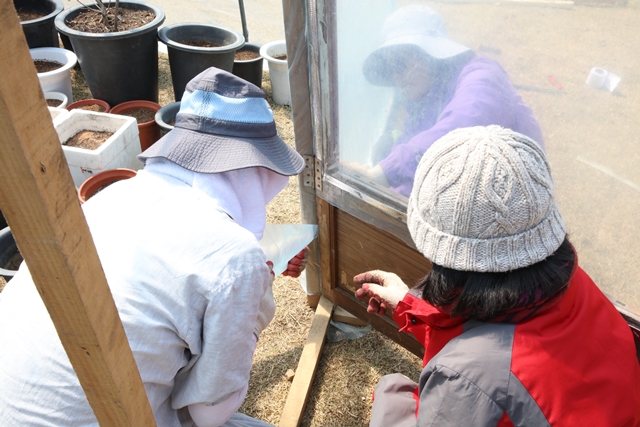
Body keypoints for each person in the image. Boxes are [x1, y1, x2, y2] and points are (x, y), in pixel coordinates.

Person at [0, 68, 308, 427]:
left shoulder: (113, 195)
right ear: (252, 167)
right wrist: (255, 312)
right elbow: (209, 413)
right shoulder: (236, 259)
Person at [354, 125, 640, 426]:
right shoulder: (569, 282)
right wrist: (409, 306)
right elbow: (499, 344)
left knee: (394, 395)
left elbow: (483, 365)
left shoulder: (464, 378)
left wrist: (390, 398)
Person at [346, 4, 544, 197]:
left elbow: (458, 131)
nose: (396, 77)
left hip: (518, 209)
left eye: (400, 64)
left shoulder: (482, 76)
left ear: (429, 54)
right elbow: (416, 163)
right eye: (391, 68)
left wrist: (382, 173)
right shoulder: (428, 94)